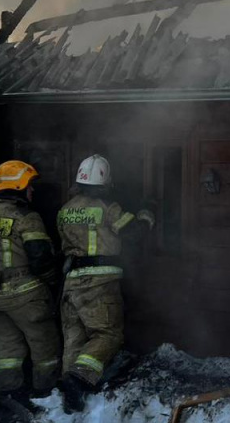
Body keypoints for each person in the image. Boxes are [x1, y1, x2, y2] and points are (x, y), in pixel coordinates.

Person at [57, 154, 154, 412]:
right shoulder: (107, 208)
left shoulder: (65, 210)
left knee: (74, 339)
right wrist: (145, 216)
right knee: (108, 334)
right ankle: (78, 380)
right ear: (105, 181)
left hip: (70, 284)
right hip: (100, 281)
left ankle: (68, 403)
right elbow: (134, 234)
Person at [0, 160, 61, 398]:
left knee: (7, 347)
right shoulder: (26, 217)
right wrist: (53, 281)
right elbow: (40, 256)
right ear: (19, 187)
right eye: (29, 186)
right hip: (25, 292)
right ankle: (47, 395)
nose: (32, 191)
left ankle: (5, 392)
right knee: (44, 343)